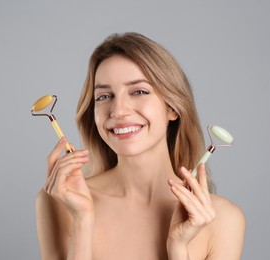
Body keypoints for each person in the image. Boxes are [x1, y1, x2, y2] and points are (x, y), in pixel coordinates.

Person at [36, 32, 245, 260]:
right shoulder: (59, 201)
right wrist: (83, 221)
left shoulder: (223, 219)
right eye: (104, 96)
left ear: (173, 107)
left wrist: (178, 249)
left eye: (139, 91)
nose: (118, 110)